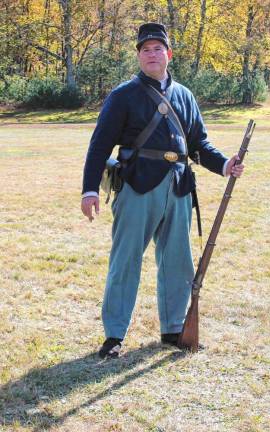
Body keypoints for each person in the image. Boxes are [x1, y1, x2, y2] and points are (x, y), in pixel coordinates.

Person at [81, 23, 244, 359]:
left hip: (179, 185)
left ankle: (173, 329)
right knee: (125, 260)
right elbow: (99, 146)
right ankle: (114, 336)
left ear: (168, 54)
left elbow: (198, 144)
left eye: (158, 49)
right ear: (139, 56)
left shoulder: (184, 95)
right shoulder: (122, 95)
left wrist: (225, 164)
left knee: (177, 261)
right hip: (137, 184)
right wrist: (89, 190)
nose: (152, 54)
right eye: (145, 50)